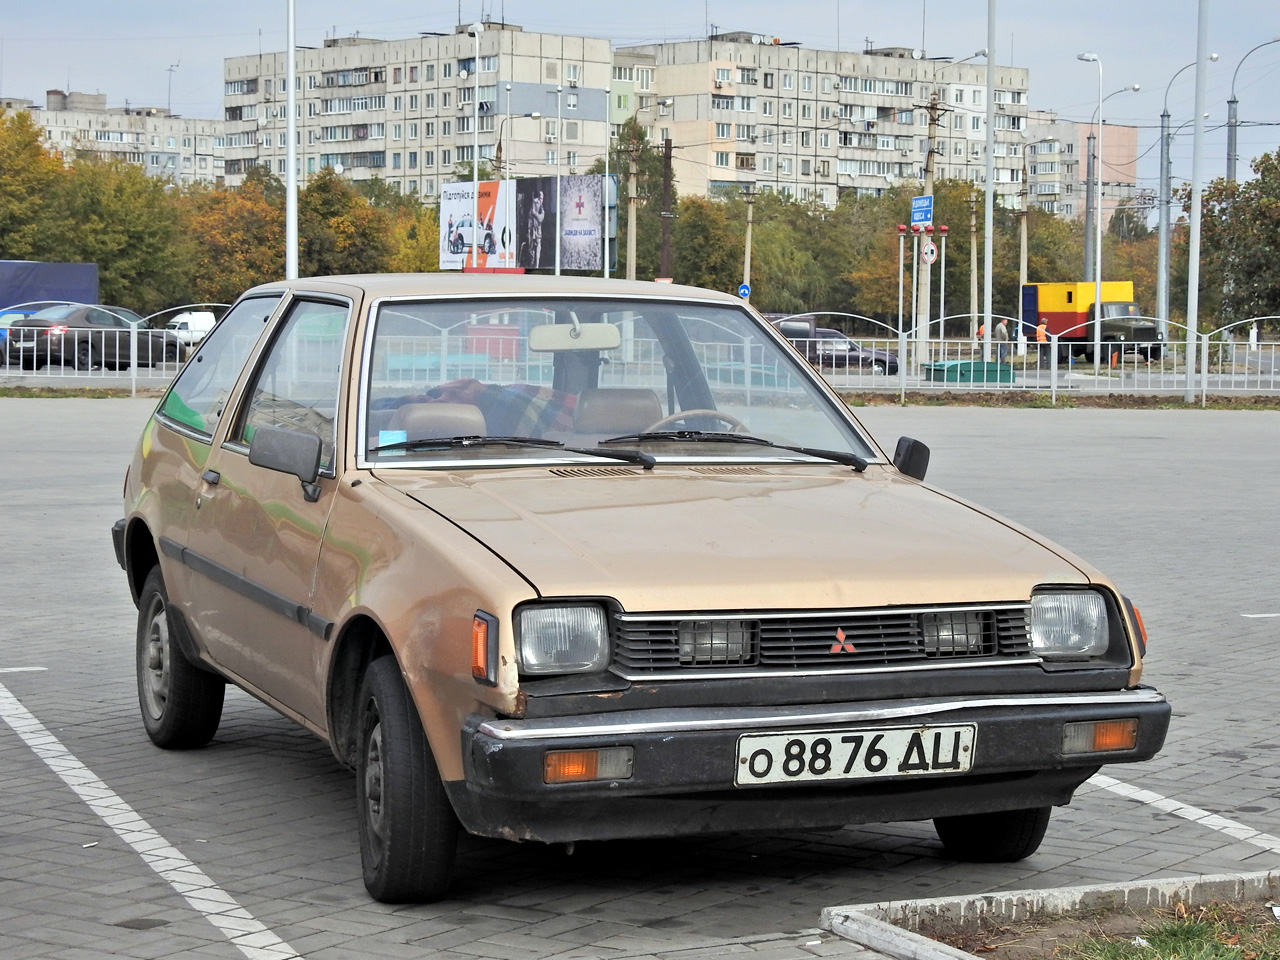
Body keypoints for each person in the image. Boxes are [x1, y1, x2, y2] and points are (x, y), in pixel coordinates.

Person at [527, 191, 545, 268]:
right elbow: (531, 214)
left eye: (542, 198)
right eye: (540, 198)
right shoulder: (534, 204)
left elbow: (541, 218)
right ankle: (532, 263)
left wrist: (536, 214)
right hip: (532, 231)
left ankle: (536, 265)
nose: (541, 200)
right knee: (531, 248)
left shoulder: (542, 208)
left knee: (538, 248)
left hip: (538, 232)